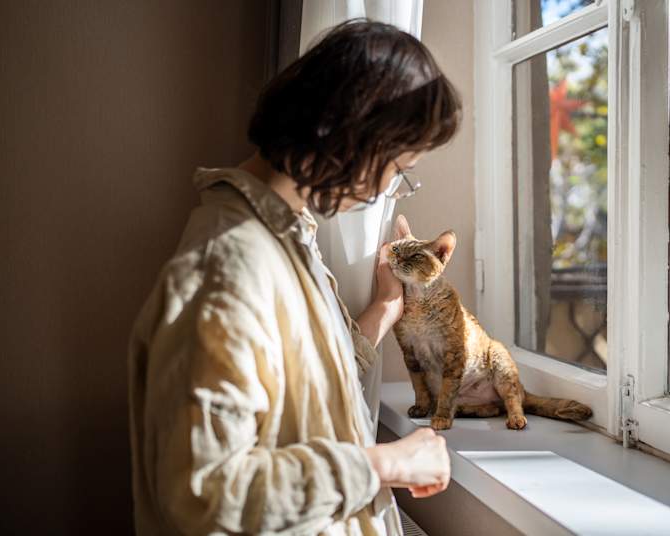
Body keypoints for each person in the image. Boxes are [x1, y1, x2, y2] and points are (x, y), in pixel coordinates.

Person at [127, 19, 462, 535]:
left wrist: (383, 311)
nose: (392, 187)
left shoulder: (287, 238)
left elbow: (299, 384)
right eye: (398, 167)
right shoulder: (228, 269)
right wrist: (386, 464)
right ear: (355, 136)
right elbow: (205, 492)